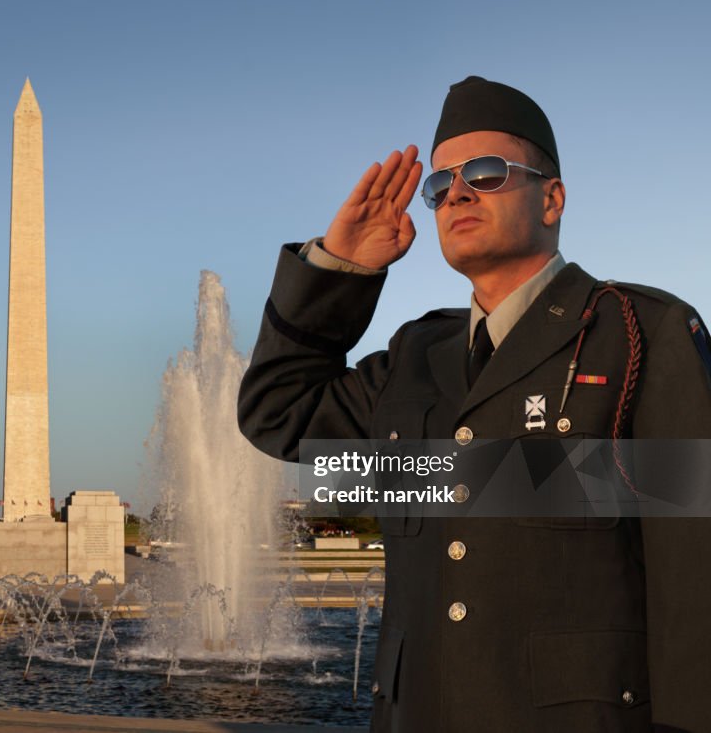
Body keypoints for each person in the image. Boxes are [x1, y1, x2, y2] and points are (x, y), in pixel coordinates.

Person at [237, 76, 711, 732]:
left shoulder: (638, 336)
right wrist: (339, 269)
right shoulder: (414, 357)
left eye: (486, 173)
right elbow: (278, 417)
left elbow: (693, 588)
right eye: (439, 186)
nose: (455, 192)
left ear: (552, 199)